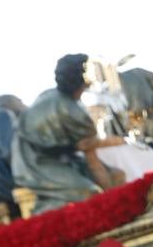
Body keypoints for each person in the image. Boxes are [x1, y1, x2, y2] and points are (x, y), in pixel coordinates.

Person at [13, 55, 119, 213]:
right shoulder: (73, 112)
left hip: (59, 156)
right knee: (88, 192)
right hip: (34, 163)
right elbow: (92, 158)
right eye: (91, 69)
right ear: (83, 76)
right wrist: (113, 203)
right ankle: (43, 215)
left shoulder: (51, 94)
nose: (96, 73)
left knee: (116, 176)